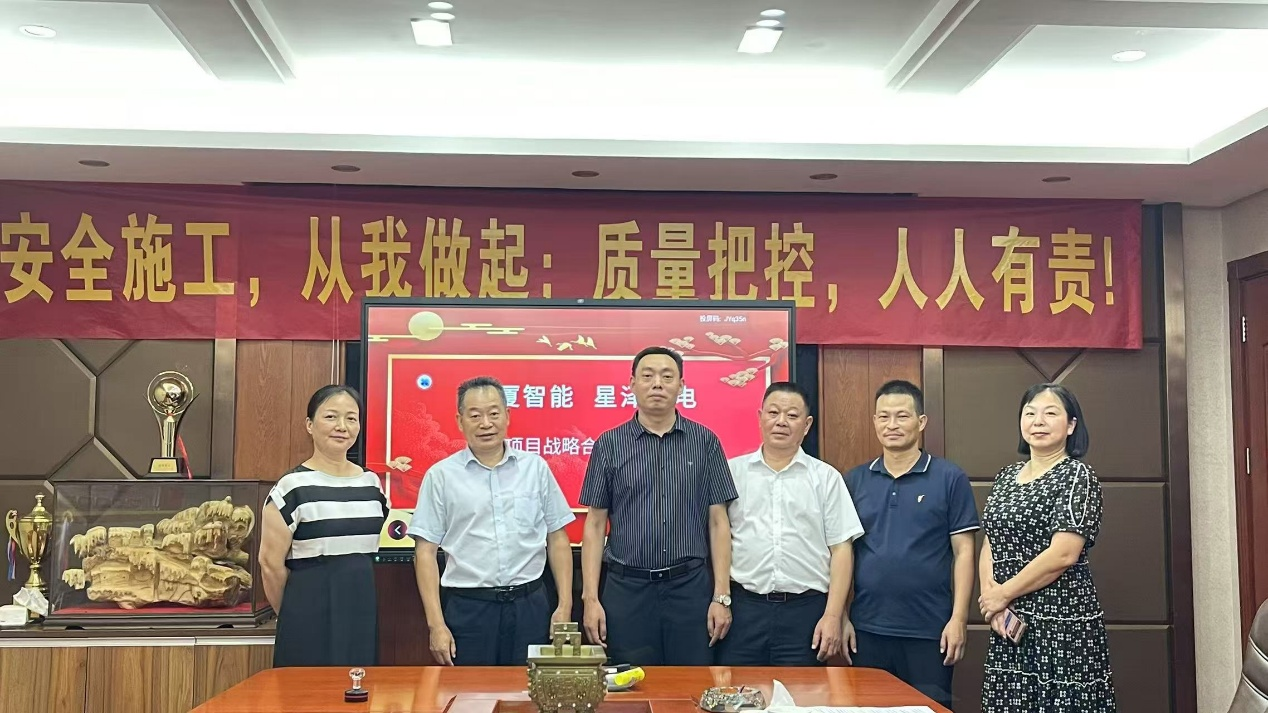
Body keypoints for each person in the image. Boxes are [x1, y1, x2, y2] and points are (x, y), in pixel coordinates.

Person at [579, 346, 738, 665]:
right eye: (647, 375)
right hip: (626, 591)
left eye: (667, 377)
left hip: (689, 589)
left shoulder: (705, 442)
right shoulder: (609, 444)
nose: (657, 384)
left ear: (681, 385)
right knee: (631, 683)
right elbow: (595, 526)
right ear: (632, 384)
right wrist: (591, 598)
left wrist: (721, 596)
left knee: (692, 683)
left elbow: (718, 522)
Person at [409, 375, 575, 666]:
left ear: (507, 416)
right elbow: (424, 553)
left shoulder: (534, 468)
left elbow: (557, 538)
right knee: (471, 691)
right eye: (475, 415)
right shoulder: (441, 476)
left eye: (494, 413)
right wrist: (436, 625)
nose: (486, 423)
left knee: (529, 690)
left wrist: (564, 606)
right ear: (460, 421)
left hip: (530, 606)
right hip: (469, 609)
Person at [978, 383, 1116, 711]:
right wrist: (991, 597)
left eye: (1050, 413)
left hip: (1061, 622)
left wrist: (1004, 593)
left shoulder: (1077, 476)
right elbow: (991, 540)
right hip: (1009, 620)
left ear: (1071, 425)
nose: (1038, 421)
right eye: (1030, 413)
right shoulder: (1007, 475)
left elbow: (1064, 553)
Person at [842, 380, 979, 710]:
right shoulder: (854, 480)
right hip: (867, 628)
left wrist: (958, 619)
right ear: (874, 421)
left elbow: (964, 553)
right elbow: (842, 554)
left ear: (921, 422)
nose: (892, 424)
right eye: (883, 416)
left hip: (930, 630)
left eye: (902, 416)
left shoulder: (949, 478)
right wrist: (841, 616)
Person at [716, 381, 863, 666]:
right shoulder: (732, 473)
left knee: (803, 692)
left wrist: (833, 615)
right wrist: (720, 599)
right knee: (740, 690)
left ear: (807, 425)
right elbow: (718, 538)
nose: (781, 421)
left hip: (806, 613)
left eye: (792, 415)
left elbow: (842, 550)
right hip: (744, 610)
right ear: (760, 417)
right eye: (773, 413)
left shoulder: (826, 478)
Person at [260, 385, 388, 668]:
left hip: (361, 610)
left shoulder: (371, 484)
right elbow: (270, 565)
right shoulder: (291, 487)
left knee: (357, 686)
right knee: (308, 690)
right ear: (310, 425)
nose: (342, 426)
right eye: (331, 417)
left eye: (351, 418)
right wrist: (294, 614)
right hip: (307, 613)